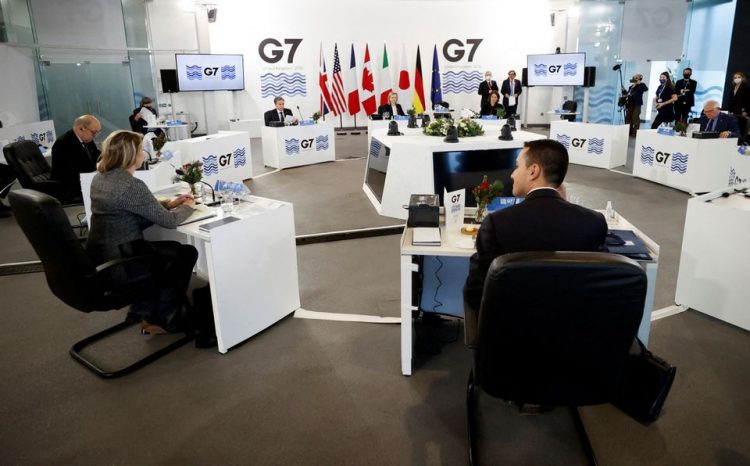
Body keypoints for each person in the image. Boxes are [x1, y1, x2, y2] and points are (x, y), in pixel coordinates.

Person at [463, 139, 607, 345]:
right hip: (574, 342)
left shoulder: (497, 223)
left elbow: (475, 291)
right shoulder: (593, 223)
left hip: (511, 340)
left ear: (533, 171)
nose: (512, 174)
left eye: (517, 166)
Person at [85, 130, 198, 334]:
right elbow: (170, 222)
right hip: (125, 260)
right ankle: (163, 318)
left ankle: (150, 308)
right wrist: (188, 206)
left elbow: (131, 209)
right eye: (141, 150)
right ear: (131, 155)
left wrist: (169, 203)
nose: (144, 155)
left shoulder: (100, 178)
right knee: (185, 254)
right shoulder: (131, 185)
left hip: (102, 254)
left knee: (174, 250)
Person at [51, 115, 102, 202]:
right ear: (81, 128)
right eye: (94, 132)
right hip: (70, 186)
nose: (95, 136)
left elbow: (96, 155)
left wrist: (110, 159)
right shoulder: (64, 143)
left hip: (84, 178)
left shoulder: (86, 138)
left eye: (98, 132)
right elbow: (71, 172)